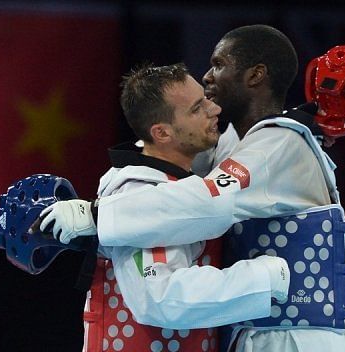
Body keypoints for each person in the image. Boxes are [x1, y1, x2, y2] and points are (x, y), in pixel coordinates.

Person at [40, 25, 345, 352]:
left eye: (219, 64)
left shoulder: (277, 144)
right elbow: (165, 154)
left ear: (255, 76)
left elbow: (208, 203)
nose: (208, 77)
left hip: (296, 337)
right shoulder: (241, 142)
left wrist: (96, 215)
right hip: (261, 332)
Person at [61, 62, 290, 351]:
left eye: (206, 98)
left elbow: (235, 154)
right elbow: (162, 299)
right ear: (163, 133)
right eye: (197, 108)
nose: (214, 110)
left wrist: (296, 129)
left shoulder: (175, 181)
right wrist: (265, 278)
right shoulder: (141, 192)